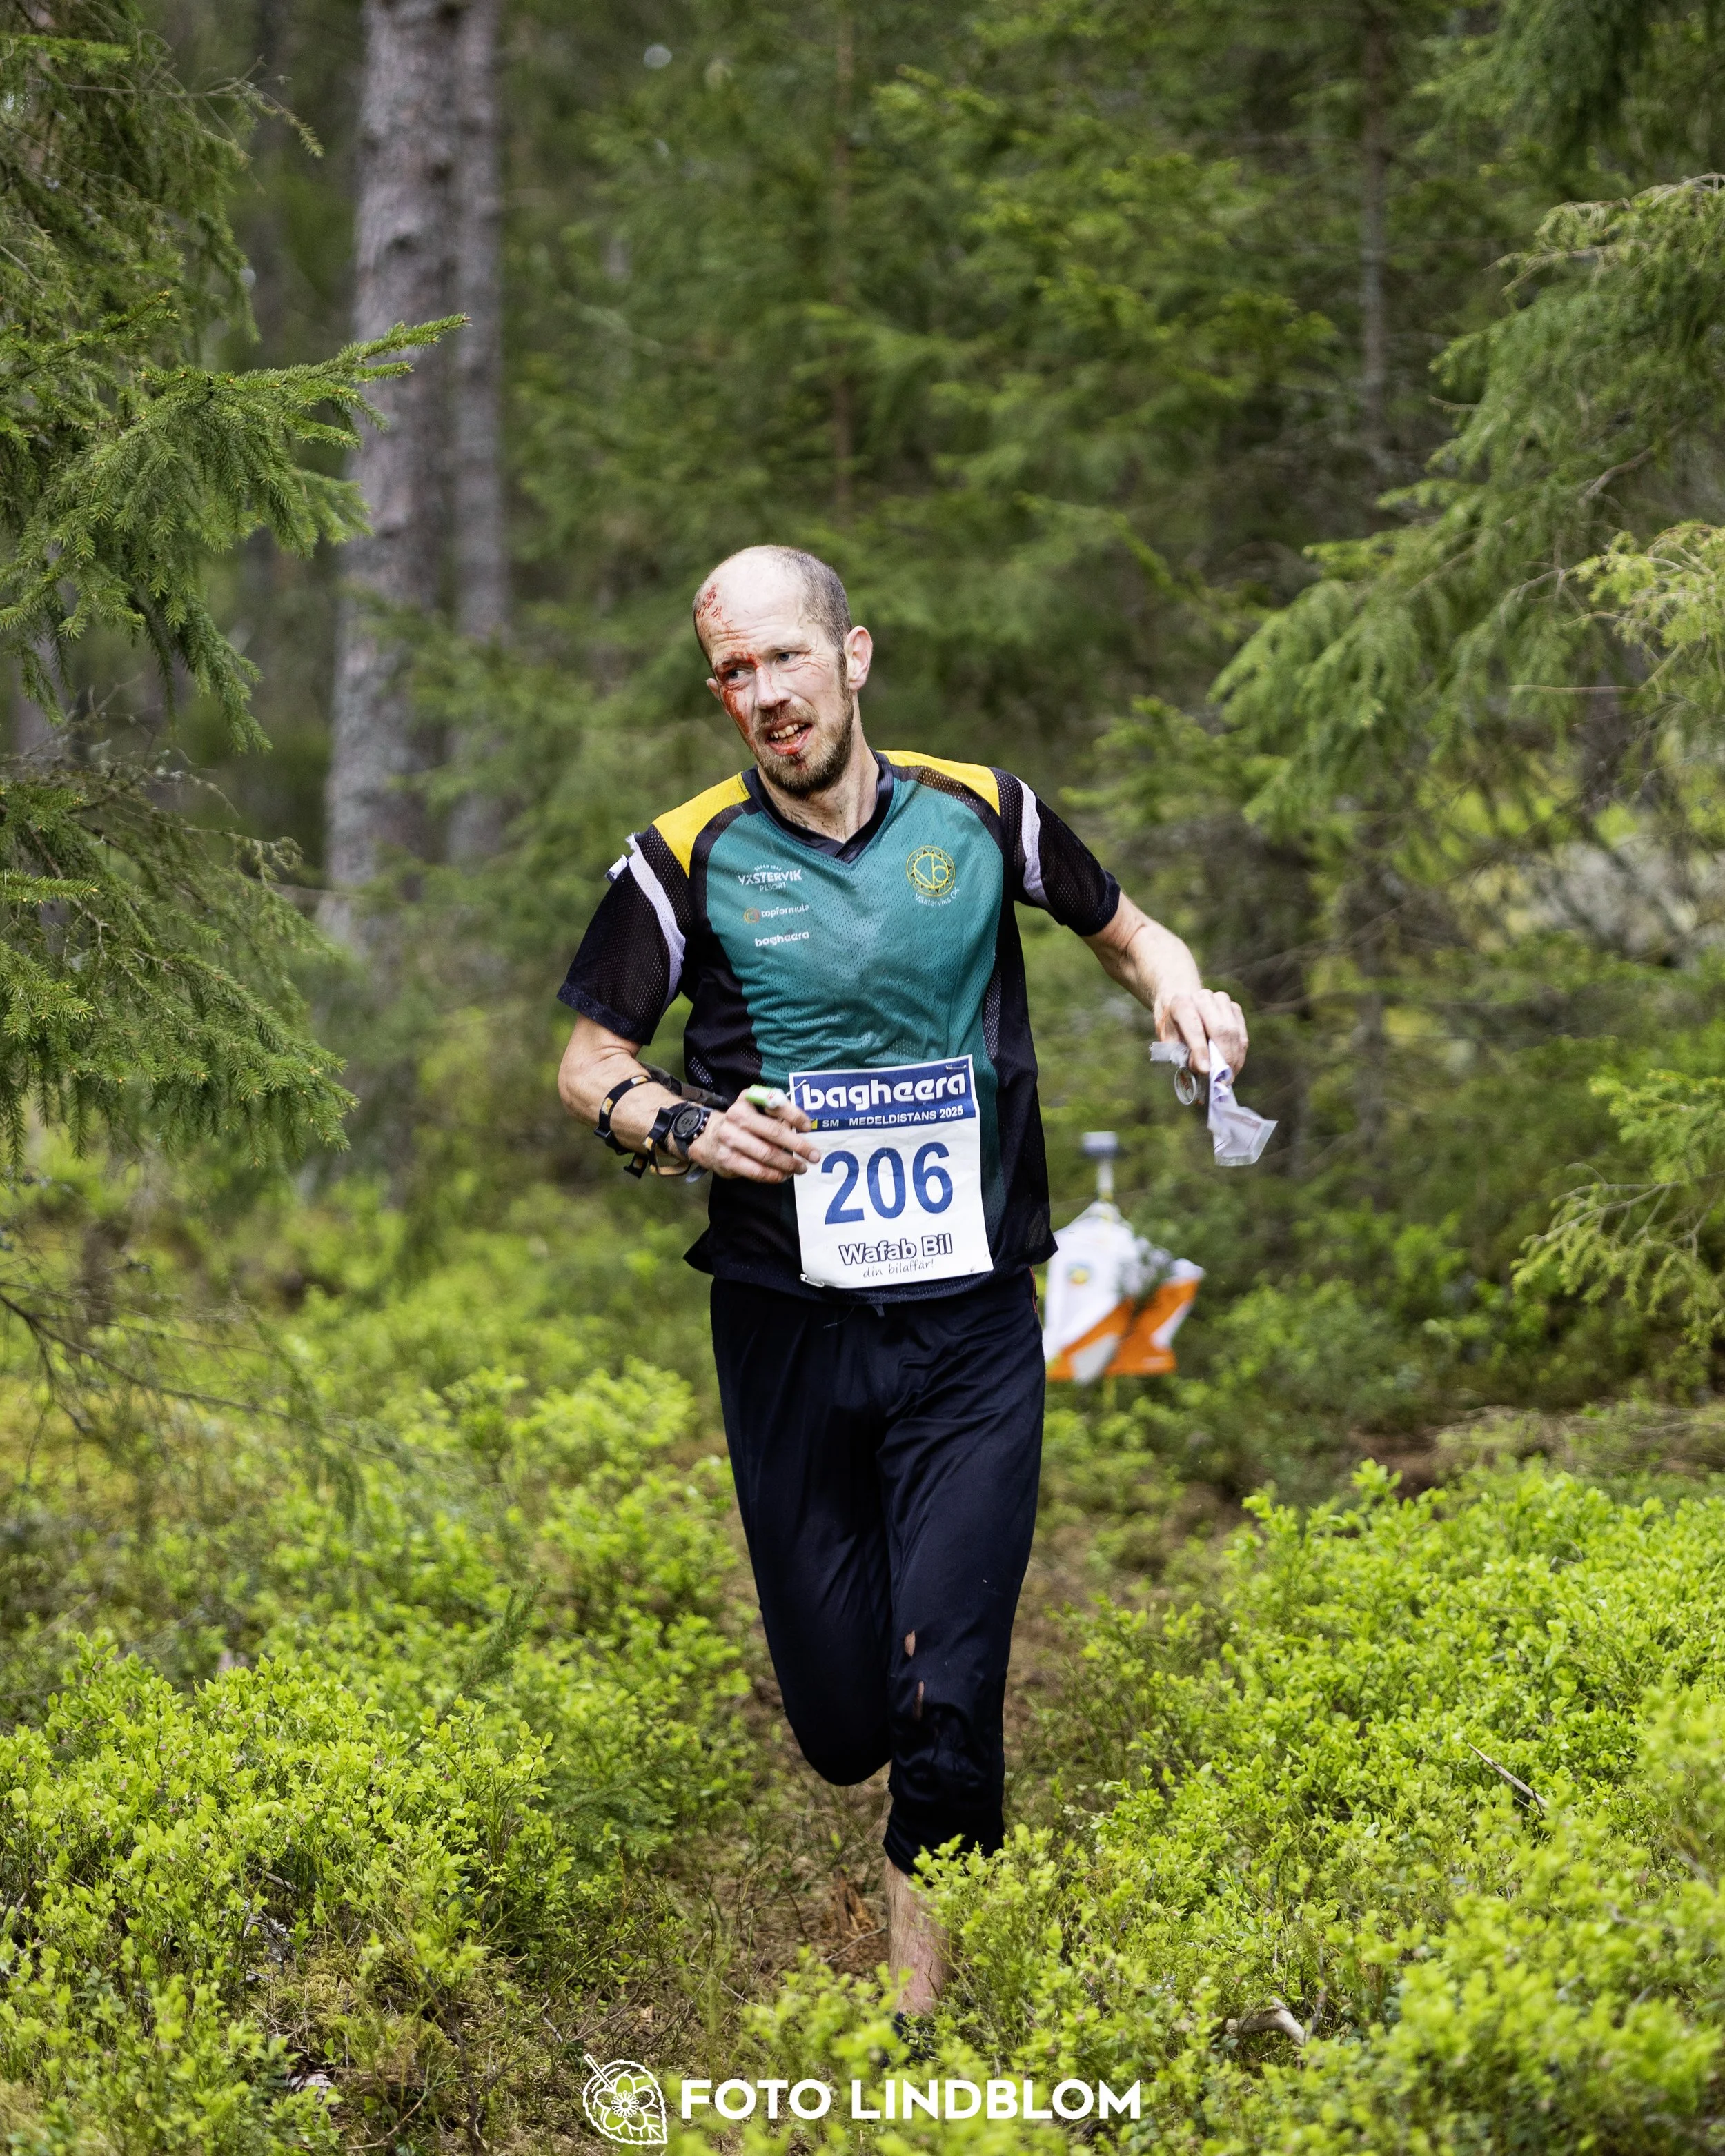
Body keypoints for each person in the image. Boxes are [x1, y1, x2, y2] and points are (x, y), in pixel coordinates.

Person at [556, 545, 1247, 2013]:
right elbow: (586, 1061)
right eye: (732, 672)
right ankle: (884, 1774)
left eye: (783, 659)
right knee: (838, 1719)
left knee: (946, 1700)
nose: (762, 694)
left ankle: (916, 2034)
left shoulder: (983, 812)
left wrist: (1181, 990)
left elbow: (1132, 939)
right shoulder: (680, 854)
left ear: (851, 656)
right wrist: (684, 1125)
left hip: (973, 1317)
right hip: (785, 1327)